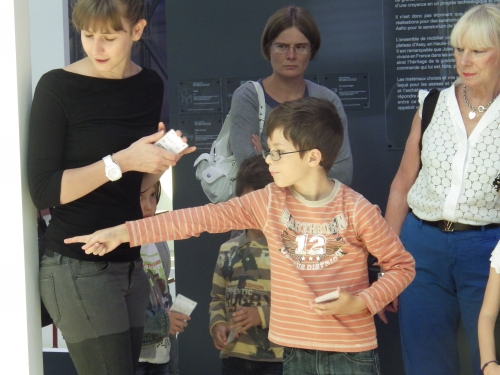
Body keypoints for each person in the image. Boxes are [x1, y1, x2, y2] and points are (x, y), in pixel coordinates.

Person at [66, 97, 415, 375]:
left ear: (313, 157)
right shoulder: (267, 201)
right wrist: (124, 231)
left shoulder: (358, 209)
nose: (268, 159)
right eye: (268, 149)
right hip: (291, 353)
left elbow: (401, 266)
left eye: (278, 152)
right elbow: (200, 218)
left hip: (351, 355)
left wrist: (363, 302)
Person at [27, 0, 194, 374]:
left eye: (108, 36)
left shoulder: (149, 85)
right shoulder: (57, 86)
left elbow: (133, 186)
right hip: (76, 262)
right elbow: (43, 190)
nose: (96, 48)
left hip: (131, 258)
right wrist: (121, 161)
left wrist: (159, 162)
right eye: (88, 36)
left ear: (137, 31)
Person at [384, 4, 500, 375]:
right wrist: (389, 261)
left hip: (489, 248)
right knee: (425, 362)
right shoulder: (432, 103)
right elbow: (403, 183)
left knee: (490, 359)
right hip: (423, 246)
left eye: (478, 50)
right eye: (458, 49)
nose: (465, 60)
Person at [229, 5, 353, 185]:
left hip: (316, 212)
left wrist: (266, 158)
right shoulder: (248, 97)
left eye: (301, 47)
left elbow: (342, 173)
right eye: (282, 46)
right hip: (264, 210)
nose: (291, 55)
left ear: (312, 50)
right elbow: (250, 174)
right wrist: (311, 169)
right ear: (268, 48)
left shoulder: (327, 100)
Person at [209, 155, 282, 375]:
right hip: (234, 357)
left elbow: (298, 303)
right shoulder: (228, 250)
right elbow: (217, 298)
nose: (255, 210)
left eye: (264, 203)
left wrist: (261, 315)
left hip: (277, 358)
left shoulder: (288, 250)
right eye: (248, 202)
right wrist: (217, 325)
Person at [137, 181, 189, 375]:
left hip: (162, 355)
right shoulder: (116, 247)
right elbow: (115, 311)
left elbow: (163, 296)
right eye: (140, 196)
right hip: (133, 357)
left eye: (152, 196)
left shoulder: (158, 241)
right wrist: (163, 321)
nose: (148, 205)